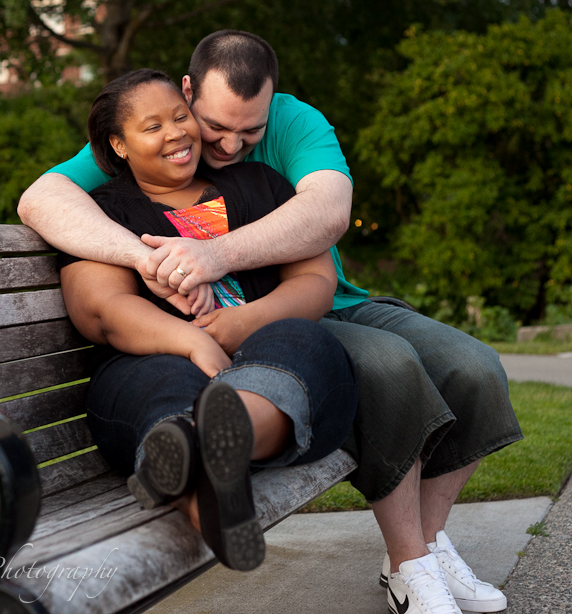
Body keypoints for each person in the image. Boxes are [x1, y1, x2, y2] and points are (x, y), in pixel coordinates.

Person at [19, 30, 523, 614]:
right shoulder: (131, 160)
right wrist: (145, 261)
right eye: (212, 124)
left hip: (305, 312)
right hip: (192, 348)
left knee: (475, 368)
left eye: (249, 131)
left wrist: (216, 262)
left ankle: (423, 549)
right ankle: (403, 557)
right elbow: (47, 204)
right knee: (380, 365)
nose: (229, 144)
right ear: (186, 96)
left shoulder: (285, 141)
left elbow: (329, 214)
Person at [59, 68, 358, 572]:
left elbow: (316, 279)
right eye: (152, 127)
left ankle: (199, 453)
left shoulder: (260, 185)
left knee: (308, 343)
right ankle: (206, 471)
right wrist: (191, 341)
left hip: (265, 351)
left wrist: (246, 322)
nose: (176, 133)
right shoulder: (101, 213)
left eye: (180, 116)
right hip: (151, 364)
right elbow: (102, 311)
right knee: (160, 381)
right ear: (119, 144)